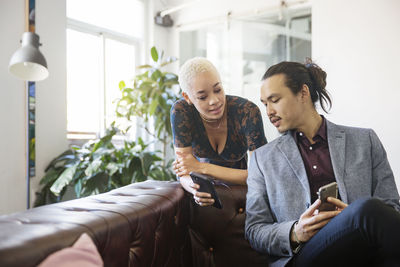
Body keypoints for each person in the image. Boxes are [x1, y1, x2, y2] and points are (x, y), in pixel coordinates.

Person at [245, 60, 400, 267]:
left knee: (367, 211)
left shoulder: (365, 141)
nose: (269, 111)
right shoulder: (262, 159)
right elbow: (254, 230)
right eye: (265, 103)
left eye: (275, 100)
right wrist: (296, 232)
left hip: (363, 251)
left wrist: (353, 220)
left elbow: (391, 209)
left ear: (303, 93)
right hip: (305, 257)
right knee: (366, 209)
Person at [171, 57, 267, 206]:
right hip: (203, 195)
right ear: (187, 97)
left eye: (218, 90)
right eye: (203, 97)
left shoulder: (246, 111)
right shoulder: (181, 112)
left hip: (243, 197)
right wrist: (195, 189)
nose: (214, 100)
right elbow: (183, 171)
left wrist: (201, 167)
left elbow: (260, 175)